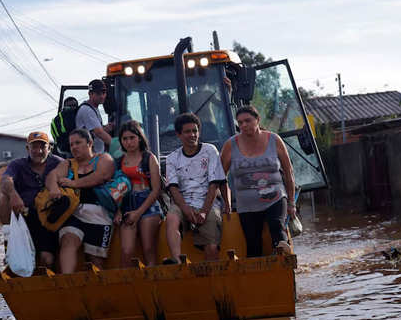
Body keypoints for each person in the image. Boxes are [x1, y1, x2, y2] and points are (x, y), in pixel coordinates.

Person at [220, 105, 296, 258]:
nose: (244, 125)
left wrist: (291, 202)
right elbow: (221, 176)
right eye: (240, 122)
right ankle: (257, 278)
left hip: (275, 195)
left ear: (258, 119)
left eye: (248, 120)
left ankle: (283, 261)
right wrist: (227, 203)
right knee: (253, 243)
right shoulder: (231, 144)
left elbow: (289, 172)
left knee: (277, 226)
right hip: (246, 203)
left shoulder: (274, 139)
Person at [45, 129, 115, 273]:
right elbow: (52, 175)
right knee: (68, 241)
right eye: (71, 145)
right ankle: (67, 283)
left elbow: (101, 176)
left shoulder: (103, 158)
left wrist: (73, 183)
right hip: (73, 213)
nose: (74, 147)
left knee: (96, 261)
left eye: (78, 143)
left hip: (99, 214)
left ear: (90, 143)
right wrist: (53, 187)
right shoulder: (68, 164)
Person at [165, 113, 230, 263]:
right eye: (187, 132)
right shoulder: (172, 158)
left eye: (194, 131)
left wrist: (204, 212)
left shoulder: (210, 151)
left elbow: (214, 184)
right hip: (183, 203)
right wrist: (186, 210)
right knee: (172, 217)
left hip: (208, 204)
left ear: (199, 132)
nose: (192, 135)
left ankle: (211, 281)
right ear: (178, 135)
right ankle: (177, 263)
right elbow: (173, 189)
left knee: (212, 247)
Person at [0, 131, 63, 268]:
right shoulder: (17, 164)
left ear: (49, 148)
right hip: (25, 216)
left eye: (42, 147)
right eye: (34, 147)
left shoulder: (59, 163)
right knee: (4, 197)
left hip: (50, 217)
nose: (38, 151)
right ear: (28, 149)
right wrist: (14, 196)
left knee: (46, 260)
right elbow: (5, 179)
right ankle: (8, 241)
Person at [113, 120, 163, 267]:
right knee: (126, 252)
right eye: (125, 139)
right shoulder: (118, 161)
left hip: (147, 204)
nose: (129, 142)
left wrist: (139, 212)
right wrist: (117, 211)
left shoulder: (149, 158)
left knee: (148, 249)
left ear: (139, 137)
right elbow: (114, 189)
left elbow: (156, 189)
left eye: (132, 138)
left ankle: (153, 288)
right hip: (126, 205)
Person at [76, 79, 113, 154]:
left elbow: (94, 130)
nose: (102, 96)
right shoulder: (87, 110)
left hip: (95, 155)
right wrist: (118, 146)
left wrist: (105, 128)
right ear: (90, 94)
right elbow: (99, 133)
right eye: (98, 93)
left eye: (104, 93)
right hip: (90, 157)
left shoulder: (94, 109)